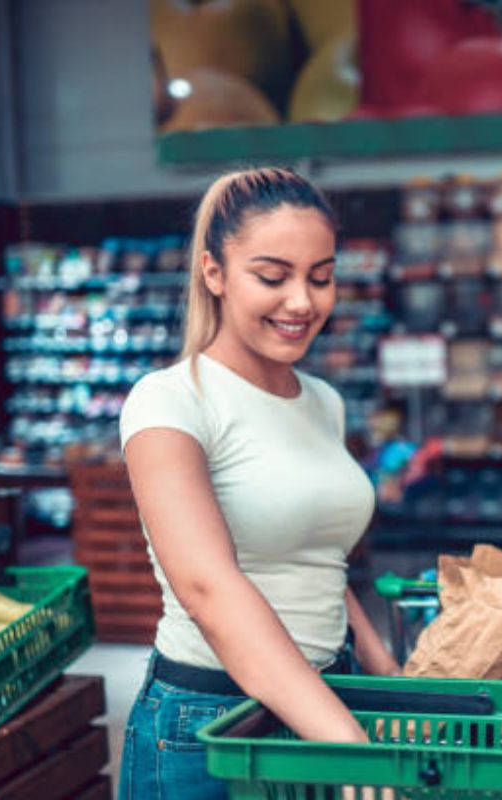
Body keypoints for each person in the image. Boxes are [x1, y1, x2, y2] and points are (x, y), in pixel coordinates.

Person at [118, 167, 399, 799]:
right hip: (210, 723)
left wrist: (387, 671)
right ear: (214, 274)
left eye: (321, 277)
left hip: (328, 698)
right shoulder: (169, 403)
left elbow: (314, 560)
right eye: (273, 277)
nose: (302, 301)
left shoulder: (323, 401)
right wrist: (352, 751)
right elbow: (210, 590)